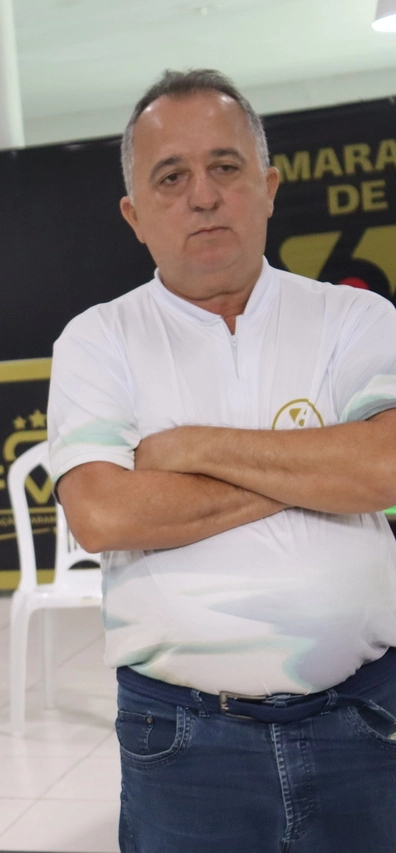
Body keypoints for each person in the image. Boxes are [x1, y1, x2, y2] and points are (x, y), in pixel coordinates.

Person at [47, 68, 396, 851]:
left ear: (268, 186)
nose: (201, 194)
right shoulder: (99, 339)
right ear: (135, 215)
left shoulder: (354, 317)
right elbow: (104, 513)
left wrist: (192, 449)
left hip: (369, 723)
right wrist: (320, 468)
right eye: (171, 177)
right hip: (185, 741)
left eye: (225, 167)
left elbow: (388, 468)